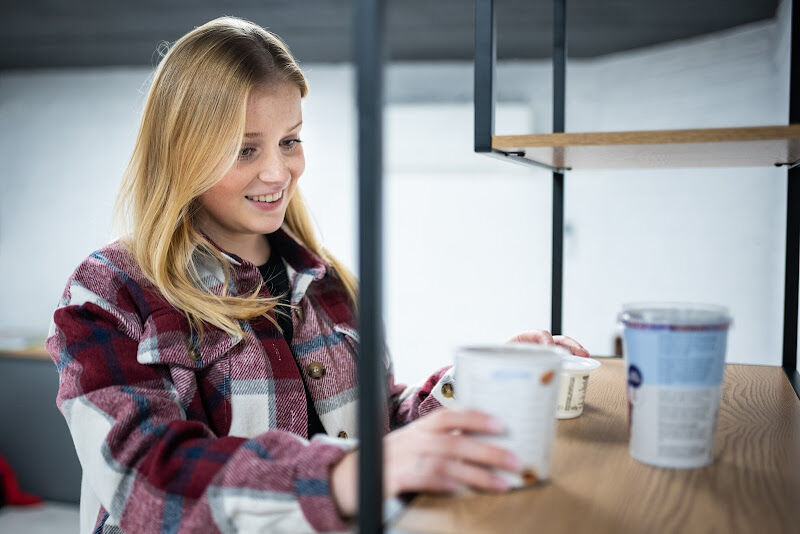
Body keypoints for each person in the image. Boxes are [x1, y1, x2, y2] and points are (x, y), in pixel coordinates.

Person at [46, 16, 589, 533]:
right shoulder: (110, 291)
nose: (279, 172)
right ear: (182, 153)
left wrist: (474, 383)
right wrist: (344, 477)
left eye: (289, 140)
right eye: (244, 149)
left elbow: (377, 427)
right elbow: (146, 481)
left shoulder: (326, 281)